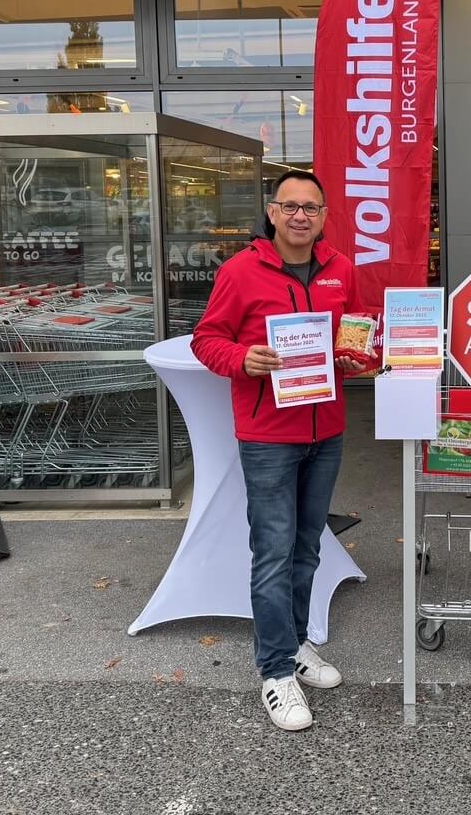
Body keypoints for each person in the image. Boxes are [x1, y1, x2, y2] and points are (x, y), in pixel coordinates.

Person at [191, 171, 372, 731]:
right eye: (290, 206)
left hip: (327, 431)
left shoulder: (342, 269)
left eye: (311, 208)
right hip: (269, 435)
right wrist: (243, 359)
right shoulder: (241, 271)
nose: (300, 216)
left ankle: (293, 645)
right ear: (272, 213)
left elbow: (356, 335)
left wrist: (353, 357)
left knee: (307, 549)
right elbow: (207, 339)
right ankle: (274, 673)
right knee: (272, 553)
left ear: (323, 215)